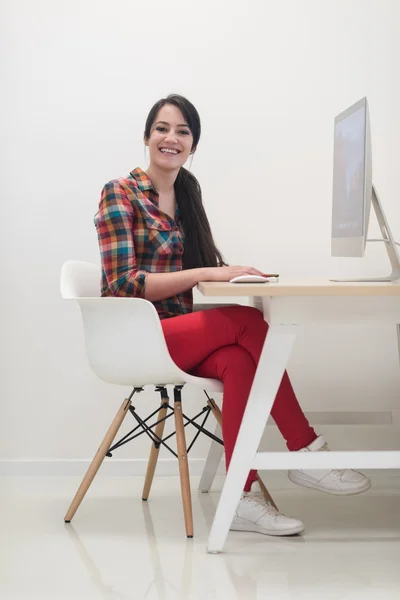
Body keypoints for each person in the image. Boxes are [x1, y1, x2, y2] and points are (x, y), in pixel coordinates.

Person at [94, 94, 371, 537]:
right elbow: (125, 282)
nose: (172, 138)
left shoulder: (186, 192)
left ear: (193, 145)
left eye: (183, 132)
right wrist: (207, 272)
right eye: (163, 129)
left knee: (239, 360)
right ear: (146, 137)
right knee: (248, 323)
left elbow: (197, 268)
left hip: (175, 334)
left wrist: (234, 275)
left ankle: (242, 495)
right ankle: (306, 450)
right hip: (136, 336)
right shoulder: (119, 193)